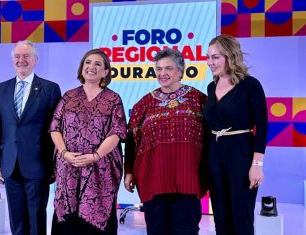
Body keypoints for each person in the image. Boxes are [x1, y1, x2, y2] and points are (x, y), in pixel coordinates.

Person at [124, 48, 208, 235]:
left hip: (188, 179)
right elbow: (131, 139)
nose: (163, 73)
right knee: (156, 230)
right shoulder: (143, 104)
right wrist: (128, 171)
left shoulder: (199, 99)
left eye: (168, 68)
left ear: (180, 71)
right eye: (159, 69)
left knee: (186, 230)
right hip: (153, 180)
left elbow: (210, 138)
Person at [48, 49, 127, 235]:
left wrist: (95, 156)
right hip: (69, 167)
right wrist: (65, 153)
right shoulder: (68, 96)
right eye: (87, 63)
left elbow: (117, 132)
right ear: (82, 68)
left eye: (98, 64)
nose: (91, 67)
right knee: (67, 218)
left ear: (106, 72)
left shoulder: (113, 99)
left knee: (95, 218)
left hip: (100, 169)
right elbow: (54, 128)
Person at [0, 40, 61, 235]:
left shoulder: (50, 89)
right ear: (13, 61)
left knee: (36, 218)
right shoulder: (1, 89)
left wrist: (55, 164)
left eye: (26, 56)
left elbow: (56, 129)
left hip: (38, 164)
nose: (21, 60)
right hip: (10, 164)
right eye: (17, 57)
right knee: (16, 218)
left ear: (35, 60)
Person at [204, 35, 267, 235]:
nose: (210, 62)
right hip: (215, 156)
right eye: (208, 57)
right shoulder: (211, 87)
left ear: (230, 56)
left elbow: (263, 126)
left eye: (215, 57)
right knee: (221, 217)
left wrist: (257, 165)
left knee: (241, 217)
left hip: (241, 153)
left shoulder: (250, 85)